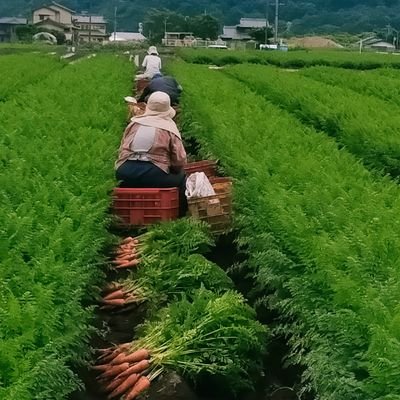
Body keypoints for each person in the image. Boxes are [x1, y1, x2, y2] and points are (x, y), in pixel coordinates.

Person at [115, 91, 188, 216]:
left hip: (125, 171)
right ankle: (179, 217)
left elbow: (122, 149)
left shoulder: (134, 124)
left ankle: (126, 213)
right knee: (181, 178)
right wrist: (173, 169)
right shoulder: (169, 128)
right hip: (154, 174)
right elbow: (179, 160)